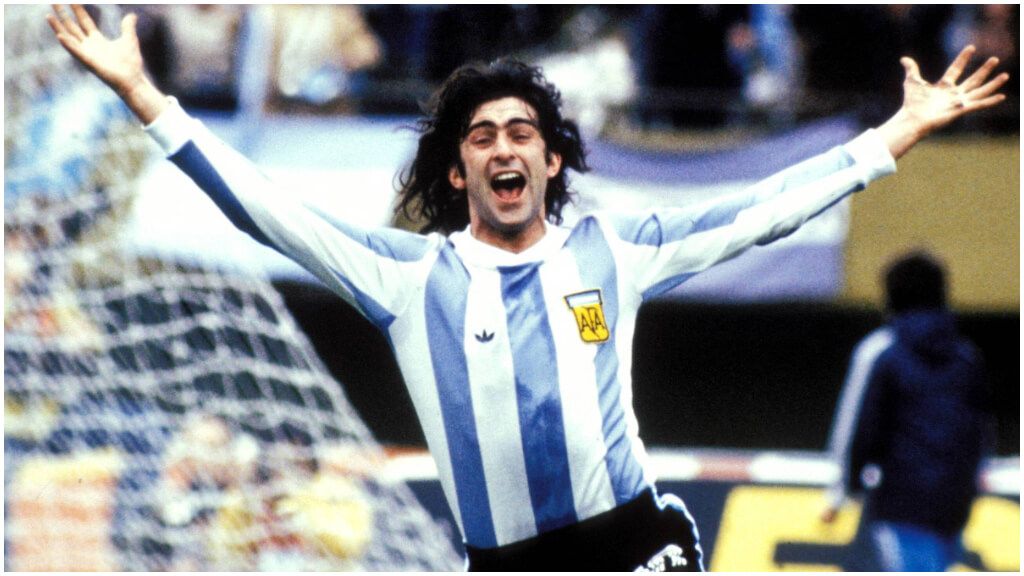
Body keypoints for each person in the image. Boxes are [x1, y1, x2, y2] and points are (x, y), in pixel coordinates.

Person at [46, 5, 1008, 571]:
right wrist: (147, 99)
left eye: (521, 133)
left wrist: (892, 138)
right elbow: (259, 204)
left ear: (551, 162)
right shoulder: (406, 274)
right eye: (480, 136)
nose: (503, 146)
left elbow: (766, 206)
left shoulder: (615, 250)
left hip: (635, 548)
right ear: (458, 174)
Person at [821, 251, 994, 571]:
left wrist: (841, 493)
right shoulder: (966, 357)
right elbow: (980, 431)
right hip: (954, 504)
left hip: (902, 502)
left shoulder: (882, 352)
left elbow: (857, 428)